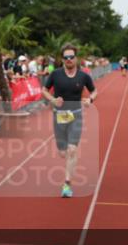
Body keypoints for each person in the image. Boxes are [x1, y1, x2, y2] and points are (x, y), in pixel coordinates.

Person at [41, 44, 98, 198]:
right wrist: (53, 100)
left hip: (76, 116)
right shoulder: (56, 74)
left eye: (71, 57)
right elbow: (44, 90)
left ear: (76, 58)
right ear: (62, 59)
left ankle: (67, 184)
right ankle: (68, 161)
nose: (68, 60)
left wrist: (90, 99)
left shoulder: (83, 76)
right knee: (62, 152)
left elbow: (94, 90)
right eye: (66, 57)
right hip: (59, 116)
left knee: (72, 149)